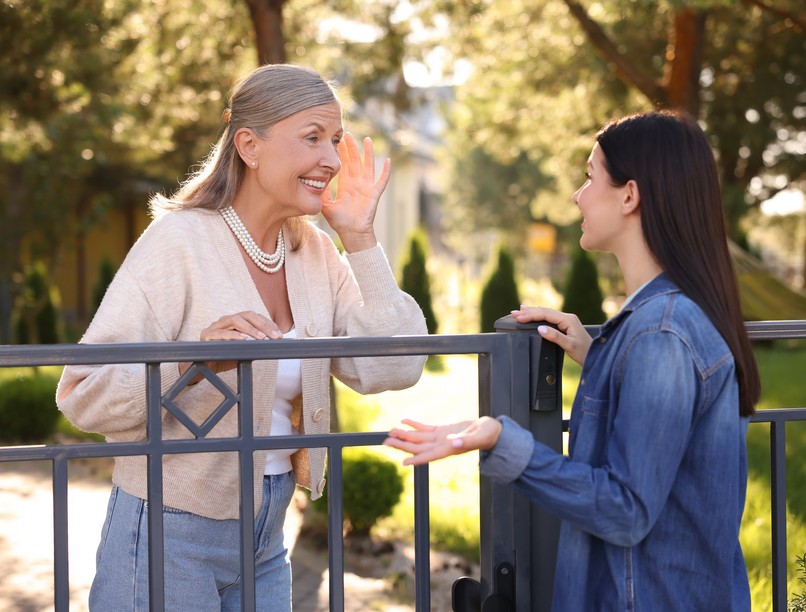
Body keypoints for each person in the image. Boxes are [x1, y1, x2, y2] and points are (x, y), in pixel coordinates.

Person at [56, 63, 427, 611]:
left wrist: (360, 237)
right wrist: (191, 361)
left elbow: (397, 366)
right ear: (249, 145)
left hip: (266, 533)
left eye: (336, 140)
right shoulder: (178, 243)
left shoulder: (317, 253)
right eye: (312, 138)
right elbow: (83, 394)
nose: (331, 159)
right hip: (167, 532)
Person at [385, 110, 760, 611]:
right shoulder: (662, 323)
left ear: (630, 195)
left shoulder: (661, 333)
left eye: (589, 177)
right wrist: (600, 356)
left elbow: (626, 510)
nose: (577, 196)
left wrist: (502, 439)